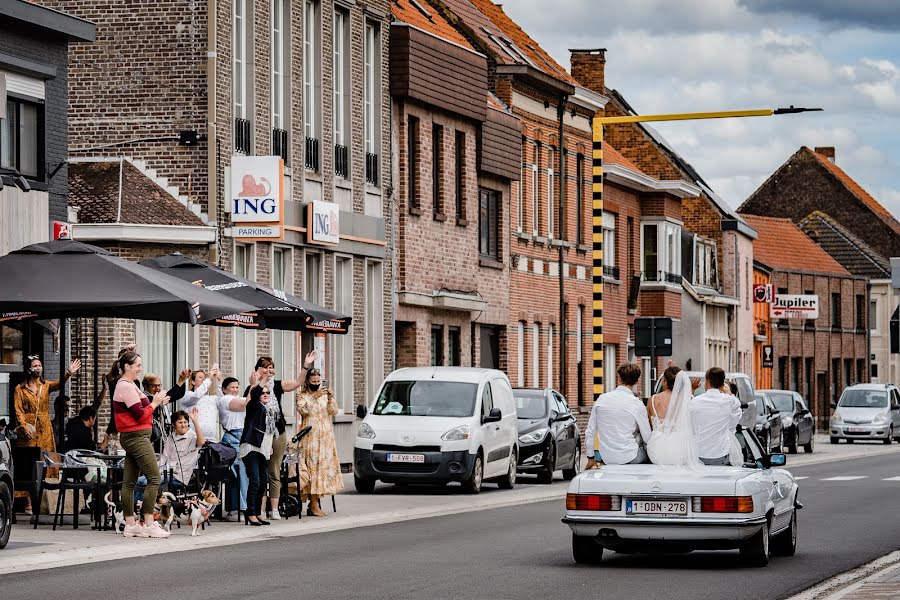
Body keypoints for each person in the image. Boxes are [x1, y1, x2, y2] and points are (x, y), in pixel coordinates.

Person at [244, 351, 318, 520]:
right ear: (258, 370)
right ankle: (260, 510)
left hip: (278, 431)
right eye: (265, 368)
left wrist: (306, 365)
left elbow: (299, 382)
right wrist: (258, 381)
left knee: (274, 470)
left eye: (271, 368)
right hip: (260, 434)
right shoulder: (253, 388)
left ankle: (275, 509)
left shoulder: (277, 385)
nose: (269, 371)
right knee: (261, 472)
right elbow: (248, 404)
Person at [111, 351, 171, 539]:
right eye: (137, 365)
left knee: (129, 482)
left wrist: (157, 402)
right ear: (127, 367)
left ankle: (131, 525)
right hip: (136, 437)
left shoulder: (129, 385)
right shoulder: (126, 386)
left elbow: (142, 410)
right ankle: (149, 523)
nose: (140, 368)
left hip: (134, 436)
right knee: (154, 478)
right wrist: (155, 403)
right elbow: (140, 414)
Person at [13, 354, 82, 515]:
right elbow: (18, 411)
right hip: (29, 429)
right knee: (30, 464)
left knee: (46, 461)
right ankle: (29, 502)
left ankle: (45, 501)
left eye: (40, 365)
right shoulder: (20, 389)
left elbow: (58, 384)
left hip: (44, 428)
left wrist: (68, 373)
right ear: (29, 369)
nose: (39, 368)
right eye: (35, 365)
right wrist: (24, 426)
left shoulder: (45, 386)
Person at [584, 362, 651, 467]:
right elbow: (647, 437)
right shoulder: (637, 404)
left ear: (618, 378)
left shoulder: (601, 399)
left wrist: (590, 457)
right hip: (631, 456)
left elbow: (590, 431)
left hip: (607, 457)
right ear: (637, 381)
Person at [296, 368, 344, 517]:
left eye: (318, 381)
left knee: (322, 469)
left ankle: (316, 502)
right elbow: (303, 410)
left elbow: (333, 411)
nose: (317, 384)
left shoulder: (323, 396)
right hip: (311, 438)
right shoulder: (302, 395)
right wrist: (314, 396)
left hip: (326, 437)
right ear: (307, 382)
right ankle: (313, 503)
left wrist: (330, 398)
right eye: (313, 382)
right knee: (312, 470)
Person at [240, 368, 277, 526]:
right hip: (251, 447)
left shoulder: (268, 410)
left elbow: (269, 431)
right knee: (254, 480)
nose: (266, 395)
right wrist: (261, 380)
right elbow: (254, 395)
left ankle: (257, 512)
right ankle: (250, 513)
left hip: (263, 449)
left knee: (263, 481)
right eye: (263, 393)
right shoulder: (254, 406)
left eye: (268, 393)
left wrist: (270, 446)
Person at [647, 370, 703, 467]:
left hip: (657, 453)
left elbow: (649, 425)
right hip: (680, 453)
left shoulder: (653, 399)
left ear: (665, 381)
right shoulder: (687, 400)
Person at [690, 367, 743, 466]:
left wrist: (692, 390)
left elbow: (688, 420)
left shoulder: (695, 401)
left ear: (707, 382)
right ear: (723, 384)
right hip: (721, 454)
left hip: (699, 454)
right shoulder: (730, 401)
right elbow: (736, 414)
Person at [217, 376, 250, 522]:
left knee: (245, 475)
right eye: (232, 387)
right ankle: (236, 509)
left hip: (244, 437)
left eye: (237, 387)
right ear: (225, 390)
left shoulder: (240, 399)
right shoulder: (225, 400)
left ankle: (243, 508)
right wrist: (256, 384)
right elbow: (246, 404)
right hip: (232, 438)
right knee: (236, 476)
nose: (235, 390)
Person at [159, 409, 205, 489]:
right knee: (139, 481)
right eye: (180, 422)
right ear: (173, 425)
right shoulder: (170, 438)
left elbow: (201, 442)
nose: (183, 425)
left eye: (185, 422)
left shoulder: (192, 436)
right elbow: (164, 458)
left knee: (146, 482)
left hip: (180, 478)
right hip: (166, 473)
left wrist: (194, 421)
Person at [179, 366, 221, 442]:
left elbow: (225, 401)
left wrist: (219, 380)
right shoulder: (188, 395)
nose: (204, 380)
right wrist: (209, 378)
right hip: (193, 440)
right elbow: (197, 395)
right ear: (193, 382)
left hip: (211, 441)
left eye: (205, 378)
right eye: (201, 377)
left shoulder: (213, 398)